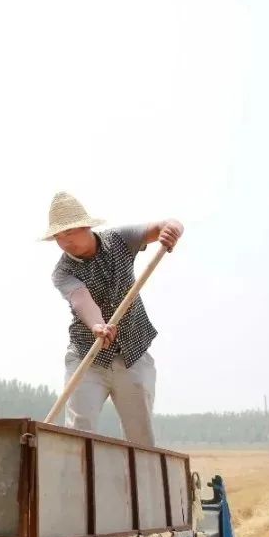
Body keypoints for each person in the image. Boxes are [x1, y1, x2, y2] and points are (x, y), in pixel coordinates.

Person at [42, 191, 183, 447]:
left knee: (141, 436)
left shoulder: (119, 240)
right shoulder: (62, 272)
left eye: (69, 233)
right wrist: (97, 325)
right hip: (88, 357)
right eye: (58, 237)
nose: (64, 242)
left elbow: (161, 226)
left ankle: (145, 485)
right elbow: (80, 299)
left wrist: (172, 228)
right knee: (78, 432)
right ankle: (76, 485)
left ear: (85, 227)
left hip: (133, 355)